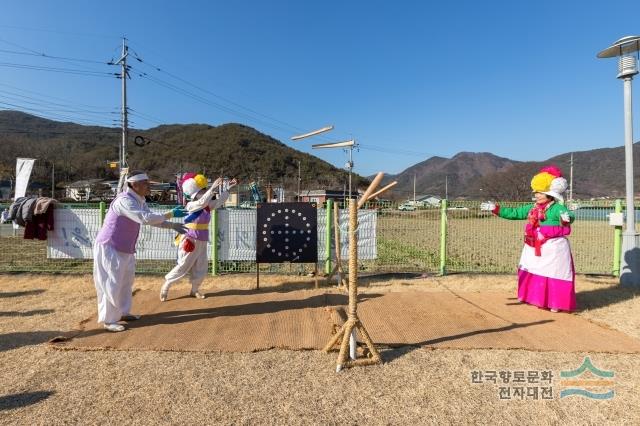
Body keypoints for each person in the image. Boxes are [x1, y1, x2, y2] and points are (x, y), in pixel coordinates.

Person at [93, 171, 188, 332]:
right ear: (134, 185)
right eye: (145, 183)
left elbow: (151, 218)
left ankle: (123, 311)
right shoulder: (124, 201)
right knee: (111, 282)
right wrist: (170, 214)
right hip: (110, 246)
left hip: (125, 247)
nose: (148, 186)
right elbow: (144, 218)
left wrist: (171, 225)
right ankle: (109, 320)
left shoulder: (139, 200)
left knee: (125, 281)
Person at [480, 165, 576, 312]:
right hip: (533, 246)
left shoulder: (558, 208)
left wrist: (566, 218)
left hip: (553, 248)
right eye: (536, 192)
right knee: (533, 270)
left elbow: (569, 218)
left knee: (553, 273)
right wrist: (496, 208)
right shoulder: (532, 208)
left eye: (540, 192)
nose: (537, 195)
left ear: (550, 193)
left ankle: (555, 302)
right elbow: (514, 213)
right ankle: (531, 297)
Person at [160, 173, 237, 301]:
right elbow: (201, 203)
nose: (205, 191)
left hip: (202, 238)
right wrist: (213, 188)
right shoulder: (191, 205)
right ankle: (166, 286)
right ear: (195, 193)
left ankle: (194, 289)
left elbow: (219, 202)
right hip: (189, 238)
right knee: (184, 264)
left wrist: (228, 189)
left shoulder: (206, 206)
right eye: (203, 190)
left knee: (201, 265)